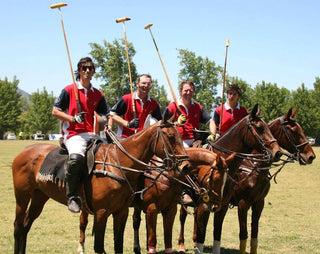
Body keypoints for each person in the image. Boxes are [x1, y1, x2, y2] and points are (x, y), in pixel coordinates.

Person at [52, 57, 111, 213]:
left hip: (91, 133)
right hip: (73, 134)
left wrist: (108, 126)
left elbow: (107, 114)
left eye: (90, 68)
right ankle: (71, 196)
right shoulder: (69, 90)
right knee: (77, 158)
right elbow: (55, 111)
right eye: (84, 68)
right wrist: (72, 118)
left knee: (110, 154)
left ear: (93, 71)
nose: (87, 70)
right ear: (79, 70)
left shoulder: (97, 94)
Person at [164, 80, 217, 148]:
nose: (188, 93)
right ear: (180, 92)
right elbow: (162, 125)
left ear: (193, 92)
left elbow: (211, 121)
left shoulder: (198, 107)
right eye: (186, 90)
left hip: (196, 141)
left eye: (191, 91)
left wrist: (213, 134)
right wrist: (177, 123)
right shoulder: (172, 107)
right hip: (178, 141)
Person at [110, 74, 162, 138]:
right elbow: (112, 115)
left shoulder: (154, 104)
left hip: (143, 140)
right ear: (137, 84)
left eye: (149, 84)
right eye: (143, 83)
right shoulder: (126, 99)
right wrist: (128, 124)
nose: (146, 86)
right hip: (124, 138)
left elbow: (159, 122)